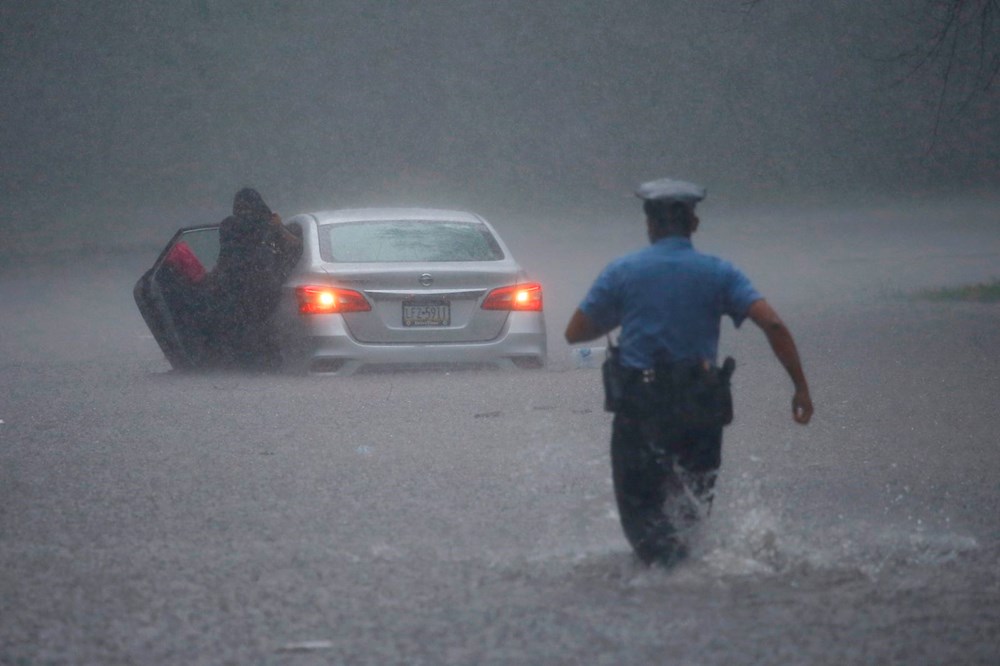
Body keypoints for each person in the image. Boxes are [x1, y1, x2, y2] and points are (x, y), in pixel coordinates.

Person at [564, 177, 813, 567]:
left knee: (643, 522)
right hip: (700, 408)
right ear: (693, 224)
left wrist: (621, 314)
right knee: (691, 515)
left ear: (649, 224)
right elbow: (775, 326)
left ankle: (656, 592)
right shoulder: (720, 273)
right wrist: (800, 388)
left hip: (640, 409)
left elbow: (575, 332)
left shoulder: (622, 272)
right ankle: (691, 587)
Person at [207, 187, 302, 370]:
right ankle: (264, 363)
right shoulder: (261, 224)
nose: (244, 213)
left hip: (246, 287)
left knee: (247, 328)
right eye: (241, 209)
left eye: (246, 208)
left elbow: (223, 257)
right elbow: (296, 246)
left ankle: (251, 363)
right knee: (258, 328)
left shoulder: (232, 225)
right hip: (257, 287)